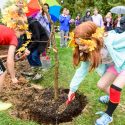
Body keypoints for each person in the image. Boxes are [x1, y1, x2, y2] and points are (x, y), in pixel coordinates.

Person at [66, 20, 125, 124]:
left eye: (83, 45)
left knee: (115, 88)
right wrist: (72, 89)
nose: (80, 48)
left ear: (92, 40)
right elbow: (81, 71)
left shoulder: (110, 40)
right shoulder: (88, 53)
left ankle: (108, 115)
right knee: (101, 85)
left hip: (123, 62)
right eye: (78, 45)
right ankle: (112, 99)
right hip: (115, 65)